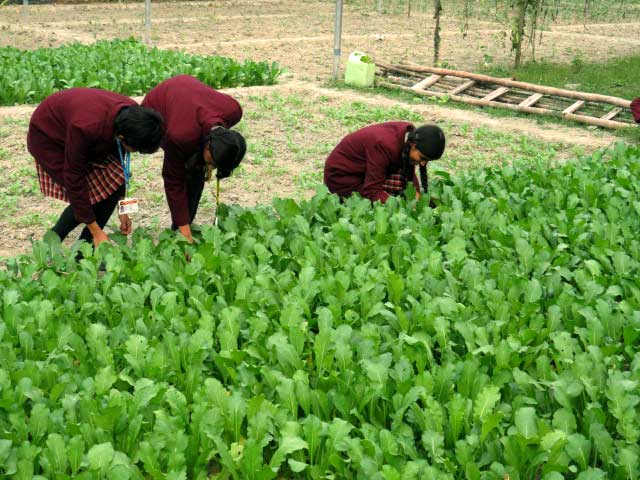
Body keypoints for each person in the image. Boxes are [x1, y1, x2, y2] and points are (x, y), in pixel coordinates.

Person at [27, 88, 164, 247]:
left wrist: (123, 209)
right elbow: (74, 180)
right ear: (121, 138)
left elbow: (120, 169)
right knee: (88, 193)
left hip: (82, 131)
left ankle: (83, 251)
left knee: (109, 188)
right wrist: (96, 232)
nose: (134, 153)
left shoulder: (132, 115)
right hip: (50, 138)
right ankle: (50, 245)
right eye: (136, 150)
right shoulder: (85, 128)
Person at [142, 75, 247, 243]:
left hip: (189, 100)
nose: (211, 168)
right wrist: (184, 230)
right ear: (208, 144)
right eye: (212, 163)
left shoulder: (233, 111)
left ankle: (183, 226)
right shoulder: (179, 136)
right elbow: (172, 180)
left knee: (197, 169)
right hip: (160, 105)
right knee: (188, 173)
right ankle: (181, 230)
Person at [324, 121, 445, 204]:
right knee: (382, 203)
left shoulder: (410, 138)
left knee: (401, 188)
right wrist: (399, 205)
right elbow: (371, 191)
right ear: (413, 145)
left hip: (362, 170)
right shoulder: (384, 145)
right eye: (423, 158)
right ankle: (342, 197)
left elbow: (408, 173)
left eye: (427, 161)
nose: (423, 164)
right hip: (341, 177)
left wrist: (416, 194)